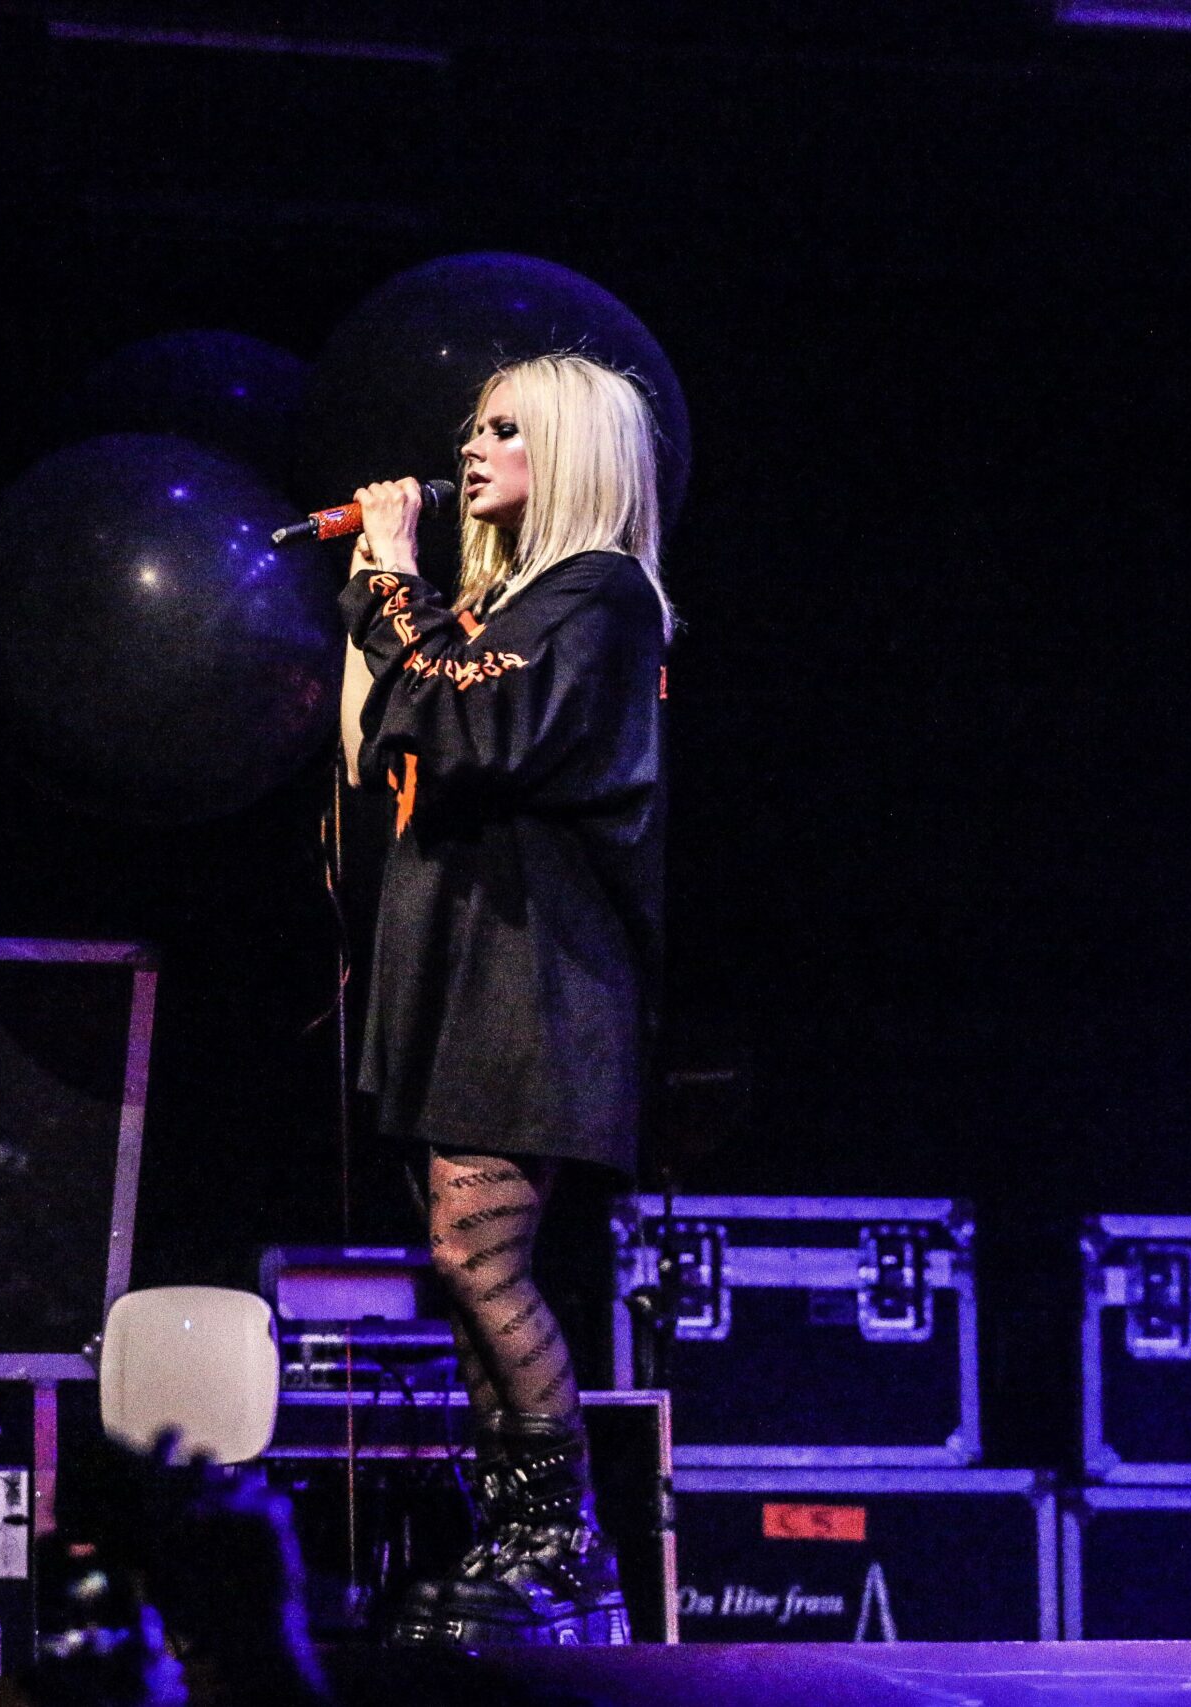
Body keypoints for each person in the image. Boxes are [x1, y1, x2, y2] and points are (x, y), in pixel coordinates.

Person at [337, 351, 672, 1646]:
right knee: (466, 1259)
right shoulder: (515, 607)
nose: (471, 449)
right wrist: (399, 596)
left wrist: (390, 572)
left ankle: (567, 1546)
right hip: (470, 959)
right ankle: (521, 1542)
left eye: (506, 430)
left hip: (536, 968)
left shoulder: (599, 595)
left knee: (478, 1253)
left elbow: (472, 725)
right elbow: (398, 731)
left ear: (575, 453)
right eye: (472, 428)